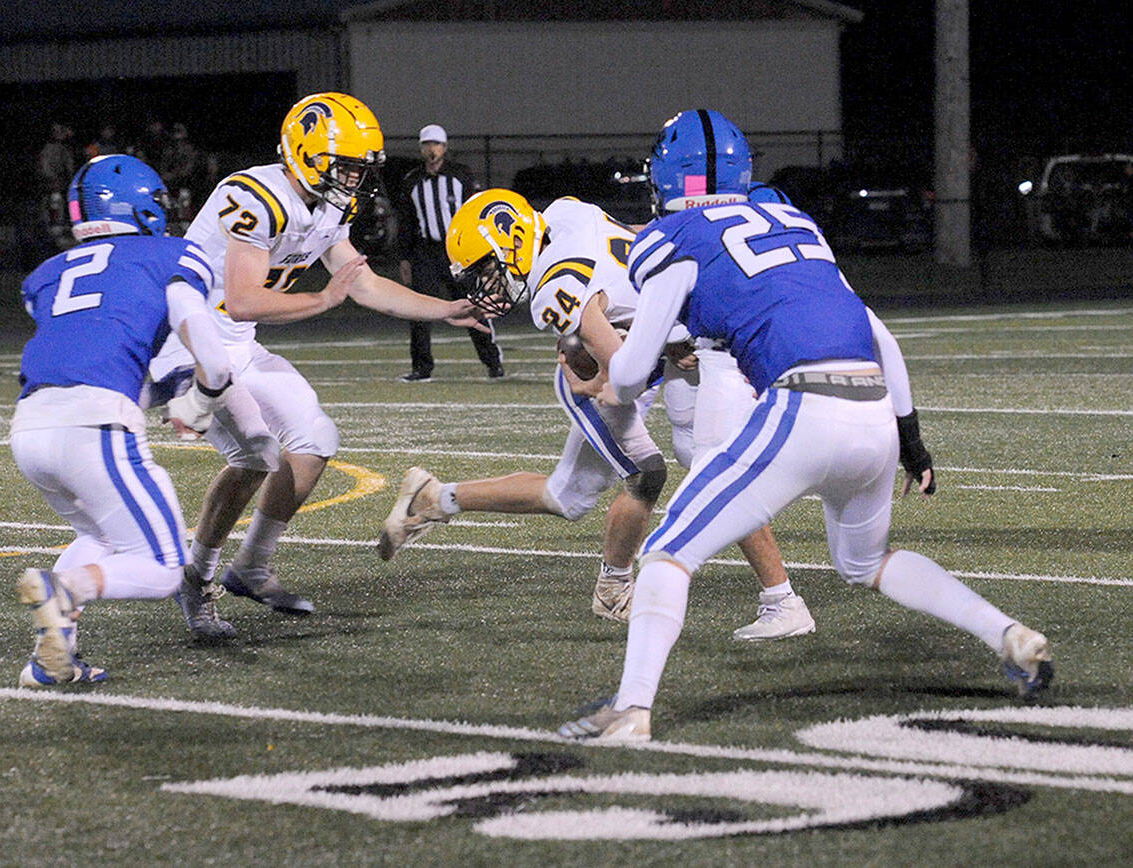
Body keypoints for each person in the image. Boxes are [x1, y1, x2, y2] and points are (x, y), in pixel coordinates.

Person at [556, 110, 1054, 742]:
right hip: (872, 405)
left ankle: (631, 710)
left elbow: (626, 380)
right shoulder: (796, 223)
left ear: (669, 178)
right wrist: (912, 441)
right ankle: (1009, 634)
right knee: (865, 560)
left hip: (801, 403)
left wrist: (607, 359)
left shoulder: (670, 236)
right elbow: (880, 336)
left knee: (666, 553)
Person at [377, 189, 812, 638]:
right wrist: (668, 337)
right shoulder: (564, 214)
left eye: (486, 267)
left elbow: (627, 355)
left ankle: (435, 497)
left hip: (637, 355)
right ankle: (619, 587)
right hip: (606, 373)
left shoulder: (556, 284)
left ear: (511, 237)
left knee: (568, 496)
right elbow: (626, 368)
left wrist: (670, 333)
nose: (486, 283)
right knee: (654, 472)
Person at [148, 93, 488, 641]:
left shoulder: (328, 203)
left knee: (314, 436)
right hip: (189, 343)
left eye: (360, 167)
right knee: (257, 452)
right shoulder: (254, 196)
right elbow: (243, 300)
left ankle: (252, 567)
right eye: (345, 165)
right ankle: (197, 578)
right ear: (304, 153)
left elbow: (367, 284)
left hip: (237, 341)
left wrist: (445, 309)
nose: (354, 178)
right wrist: (325, 300)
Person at [11, 154, 279, 686]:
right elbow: (214, 357)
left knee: (106, 538)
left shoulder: (46, 275)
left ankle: (50, 657)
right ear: (140, 205)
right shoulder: (172, 255)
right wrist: (200, 399)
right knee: (160, 567)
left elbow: (93, 348)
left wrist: (164, 391)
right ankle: (66, 592)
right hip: (95, 429)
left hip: (29, 428)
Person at [394, 124, 502, 382]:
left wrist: (480, 252)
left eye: (436, 144)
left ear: (444, 147)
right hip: (425, 252)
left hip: (456, 252)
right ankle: (421, 367)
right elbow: (406, 221)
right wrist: (404, 257)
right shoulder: (412, 180)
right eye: (427, 144)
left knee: (471, 305)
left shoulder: (461, 176)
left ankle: (492, 361)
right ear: (421, 148)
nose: (431, 149)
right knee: (418, 309)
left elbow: (476, 214)